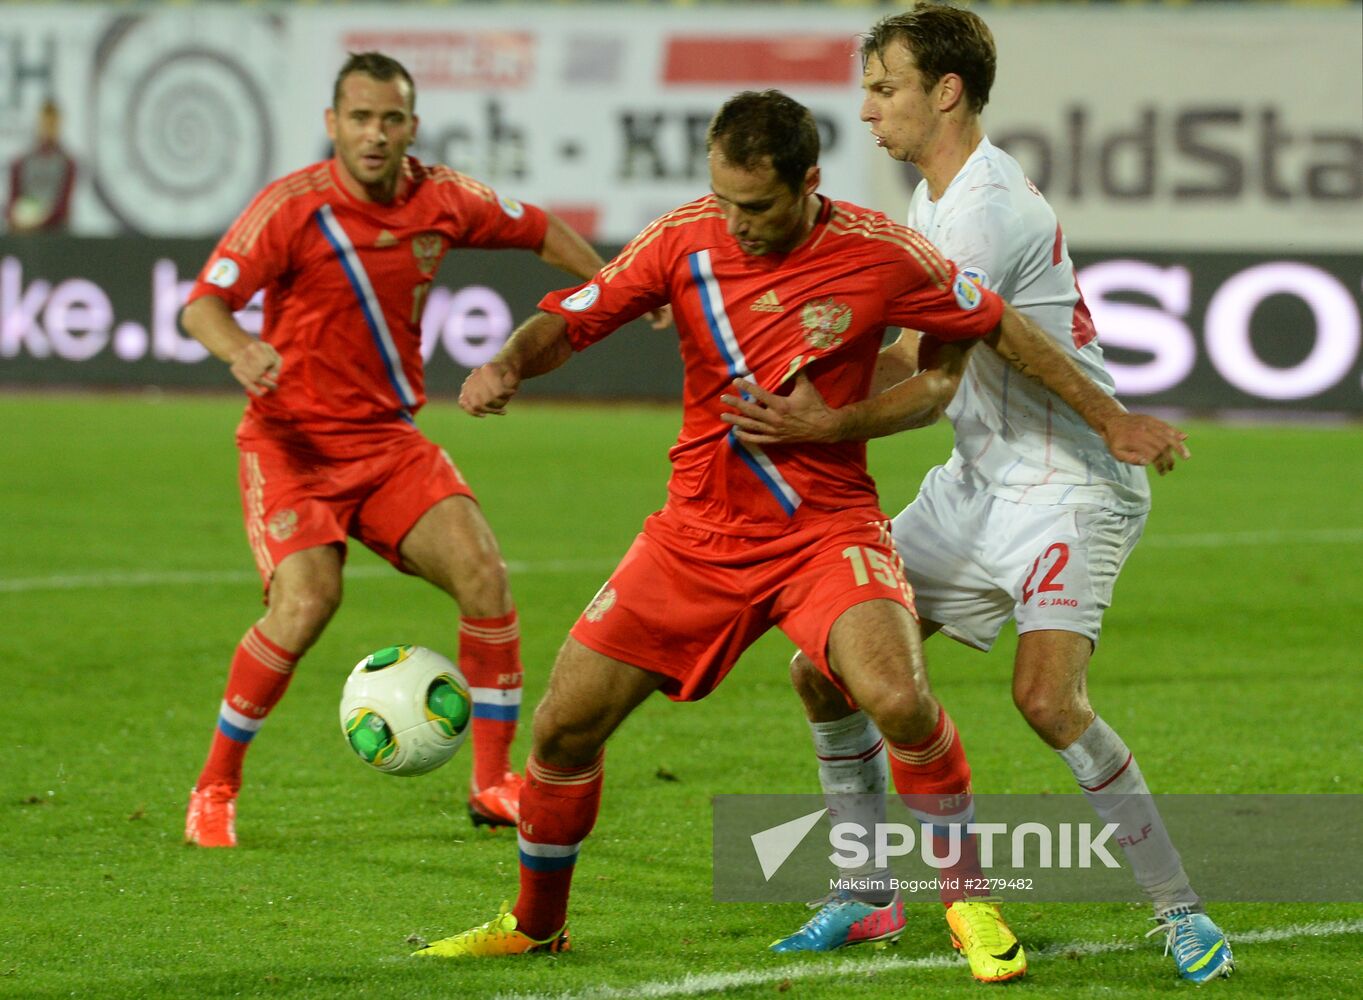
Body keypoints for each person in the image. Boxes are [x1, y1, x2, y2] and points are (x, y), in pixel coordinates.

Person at [411, 87, 1188, 983]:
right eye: (724, 199)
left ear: (808, 183)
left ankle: (969, 904)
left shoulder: (879, 252)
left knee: (896, 696)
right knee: (561, 730)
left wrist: (1106, 419)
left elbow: (992, 327)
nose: (735, 224)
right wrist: (510, 360)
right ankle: (535, 923)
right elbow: (572, 318)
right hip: (693, 533)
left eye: (757, 206)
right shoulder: (682, 237)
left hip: (825, 528)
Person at [721, 5, 1232, 984]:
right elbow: (912, 340)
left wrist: (820, 423)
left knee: (1045, 698)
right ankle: (867, 886)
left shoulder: (984, 208)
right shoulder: (934, 205)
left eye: (884, 89)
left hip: (1068, 485)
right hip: (976, 483)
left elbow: (955, 361)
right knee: (822, 665)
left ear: (944, 91)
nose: (867, 112)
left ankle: (1180, 911)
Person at [180, 52, 619, 847]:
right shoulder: (291, 207)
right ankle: (215, 785)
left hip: (385, 441)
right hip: (292, 446)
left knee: (485, 576)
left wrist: (612, 291)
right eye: (359, 118)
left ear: (410, 126)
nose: (375, 134)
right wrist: (240, 349)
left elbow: (540, 229)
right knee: (307, 603)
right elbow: (203, 303)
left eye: (390, 119)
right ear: (332, 125)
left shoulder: (443, 197)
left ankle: (492, 784)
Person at [5, 99, 76, 233]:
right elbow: (12, 202)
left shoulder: (68, 163)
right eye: (45, 122)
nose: (49, 128)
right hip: (23, 232)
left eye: (53, 123)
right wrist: (18, 218)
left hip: (54, 233)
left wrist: (42, 219)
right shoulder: (20, 162)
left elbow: (64, 208)